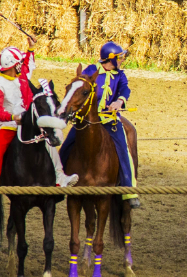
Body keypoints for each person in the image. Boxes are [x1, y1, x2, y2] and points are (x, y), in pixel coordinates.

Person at [0, 38, 78, 203]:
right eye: (19, 62)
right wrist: (13, 117)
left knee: (48, 142)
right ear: (13, 65)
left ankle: (60, 178)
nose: (22, 64)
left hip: (29, 122)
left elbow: (28, 64)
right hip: (9, 125)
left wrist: (31, 48)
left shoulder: (21, 74)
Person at [60, 42, 142, 208]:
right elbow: (80, 86)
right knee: (66, 147)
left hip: (109, 120)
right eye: (119, 58)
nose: (121, 61)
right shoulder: (90, 70)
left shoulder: (120, 75)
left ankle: (128, 189)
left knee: (124, 150)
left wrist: (119, 101)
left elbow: (125, 89)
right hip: (87, 120)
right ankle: (57, 181)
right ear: (110, 59)